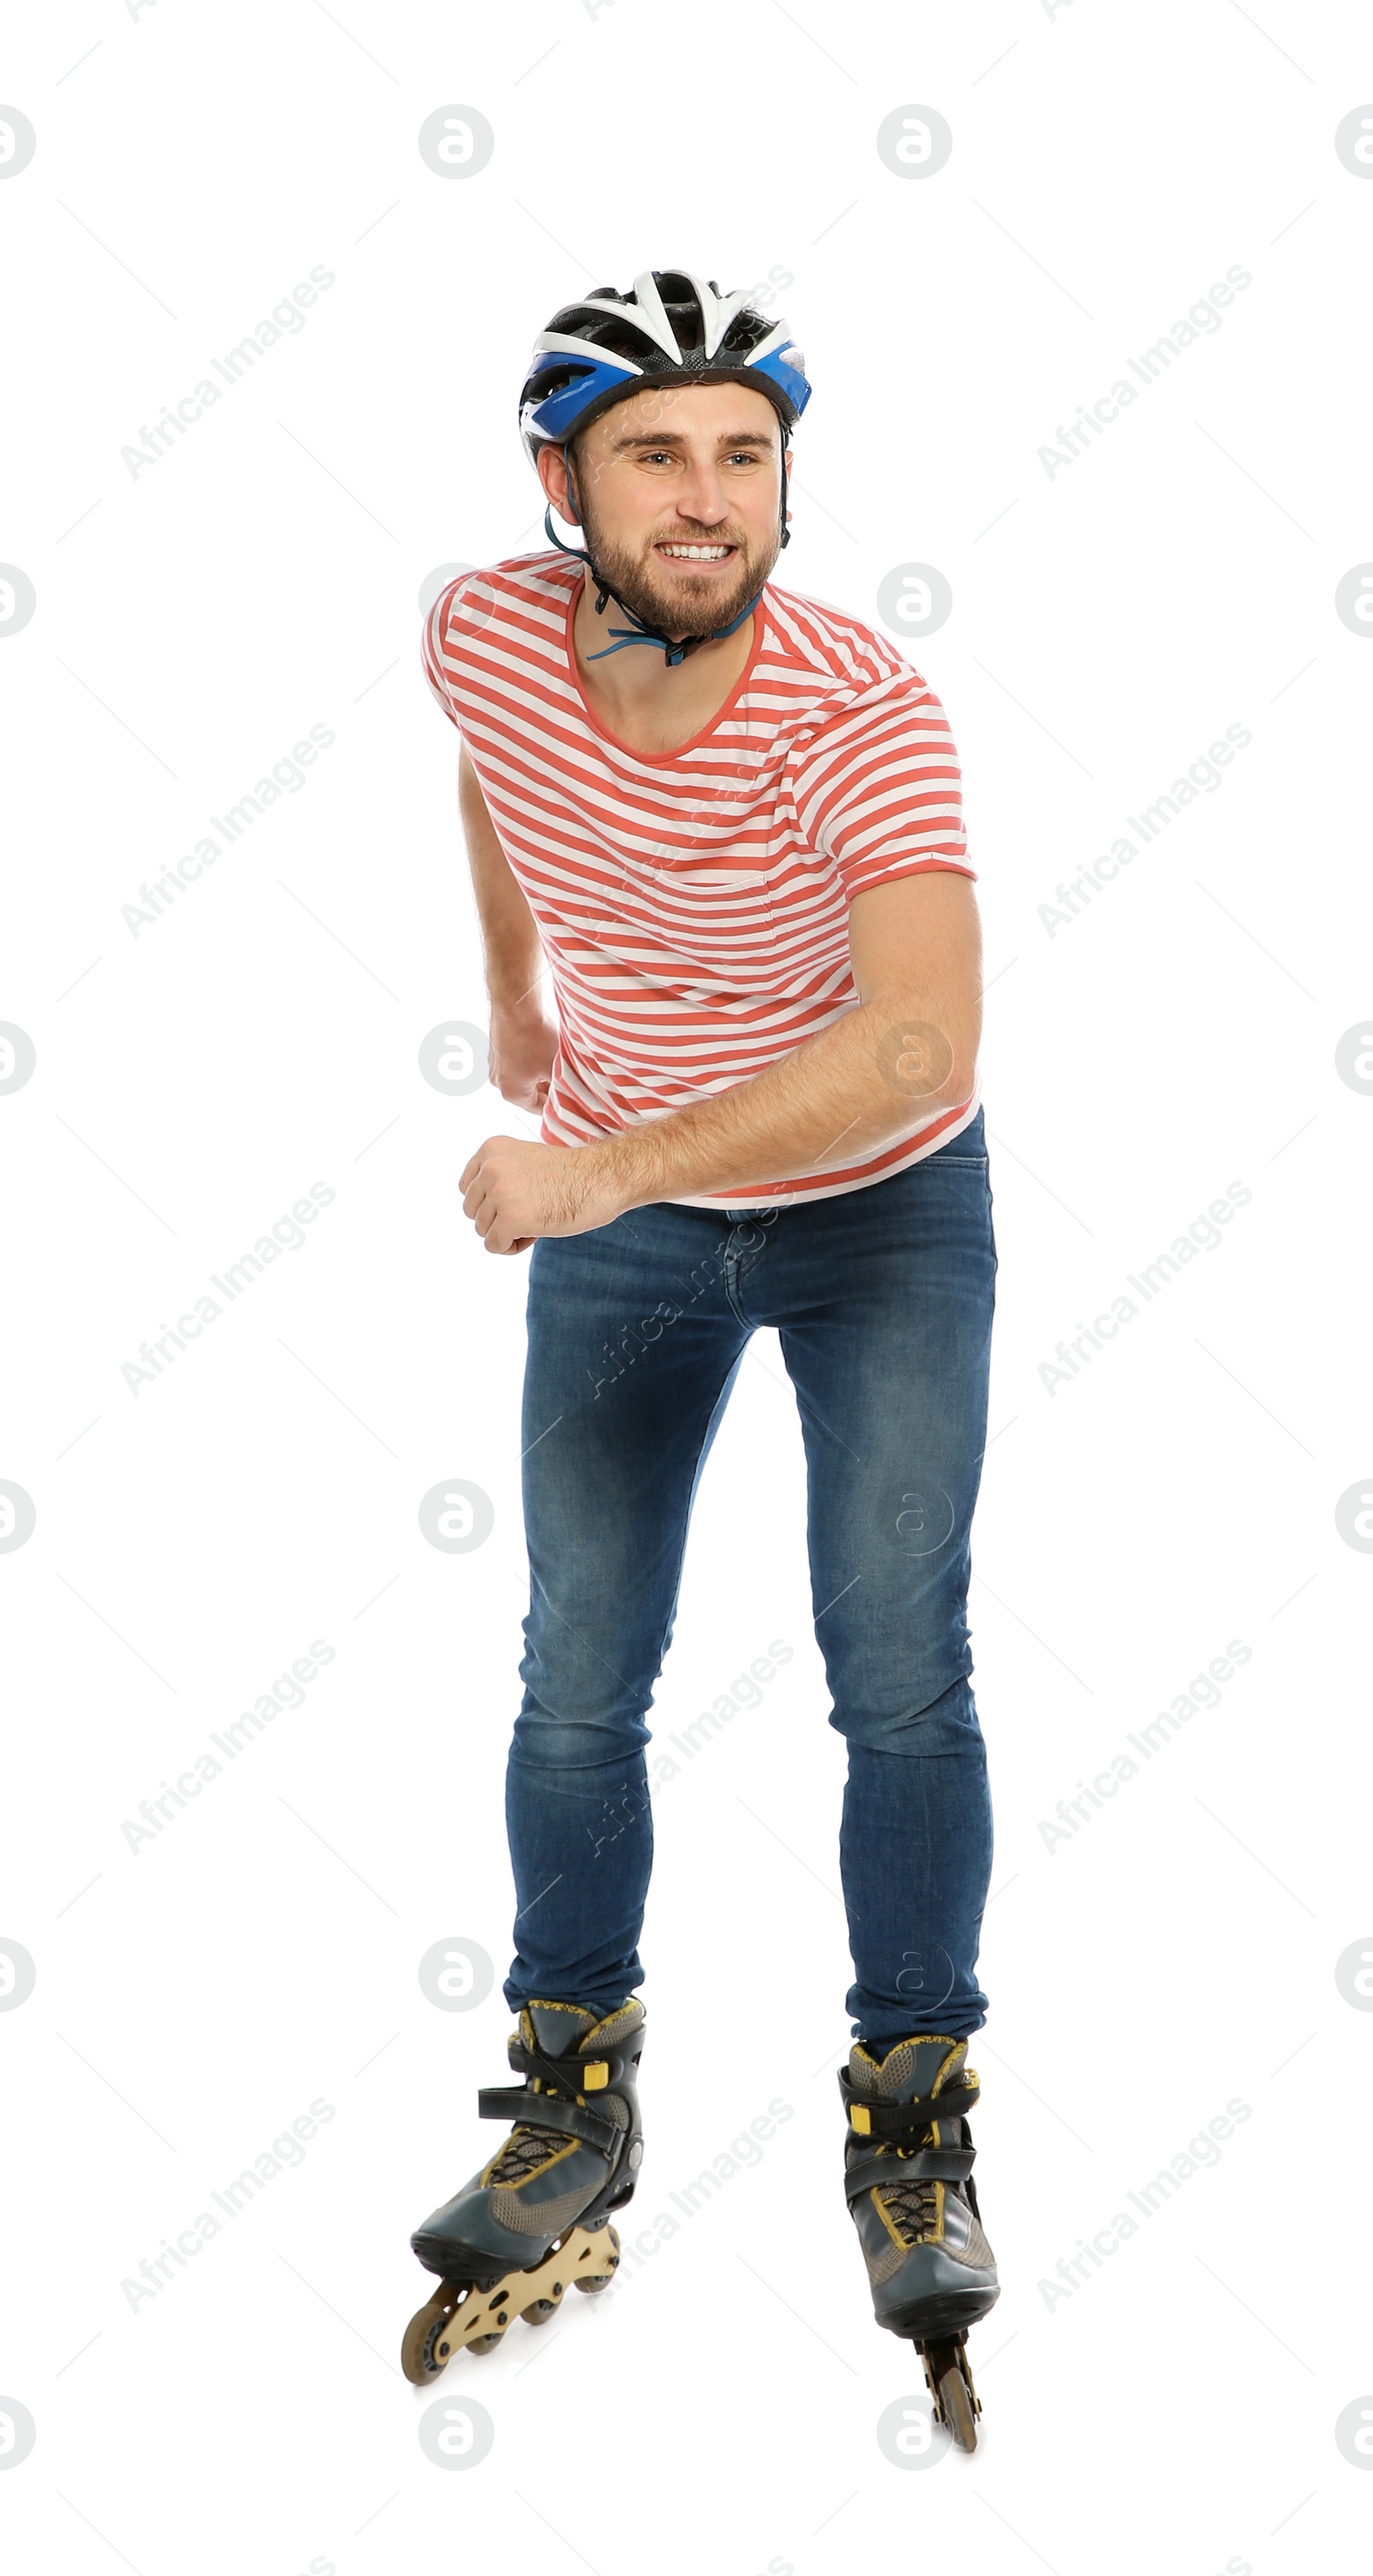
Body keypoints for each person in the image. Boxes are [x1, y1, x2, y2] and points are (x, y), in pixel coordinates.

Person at [402, 269, 999, 2445]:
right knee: (578, 1669)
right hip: (624, 1215)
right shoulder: (484, 629)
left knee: (896, 1667)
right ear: (561, 480)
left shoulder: (856, 702)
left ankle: (910, 2110)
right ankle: (574, 2099)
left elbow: (917, 1027)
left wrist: (595, 1161)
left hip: (878, 1218)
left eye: (742, 454)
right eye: (657, 452)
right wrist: (513, 976)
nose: (708, 497)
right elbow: (491, 768)